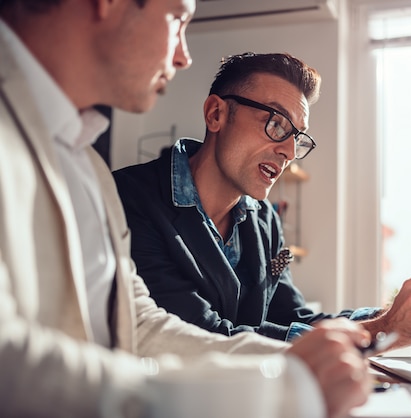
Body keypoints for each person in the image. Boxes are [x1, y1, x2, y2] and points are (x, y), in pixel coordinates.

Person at [0, 1, 373, 417]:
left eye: (296, 137)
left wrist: (295, 363)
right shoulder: (129, 194)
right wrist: (277, 385)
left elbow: (140, 324)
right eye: (177, 18)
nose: (183, 55)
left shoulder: (88, 168)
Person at [113, 52, 411, 352]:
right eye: (276, 123)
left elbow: (293, 318)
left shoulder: (264, 220)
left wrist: (400, 314)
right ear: (216, 113)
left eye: (297, 137)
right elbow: (200, 337)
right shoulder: (129, 199)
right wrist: (385, 330)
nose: (287, 151)